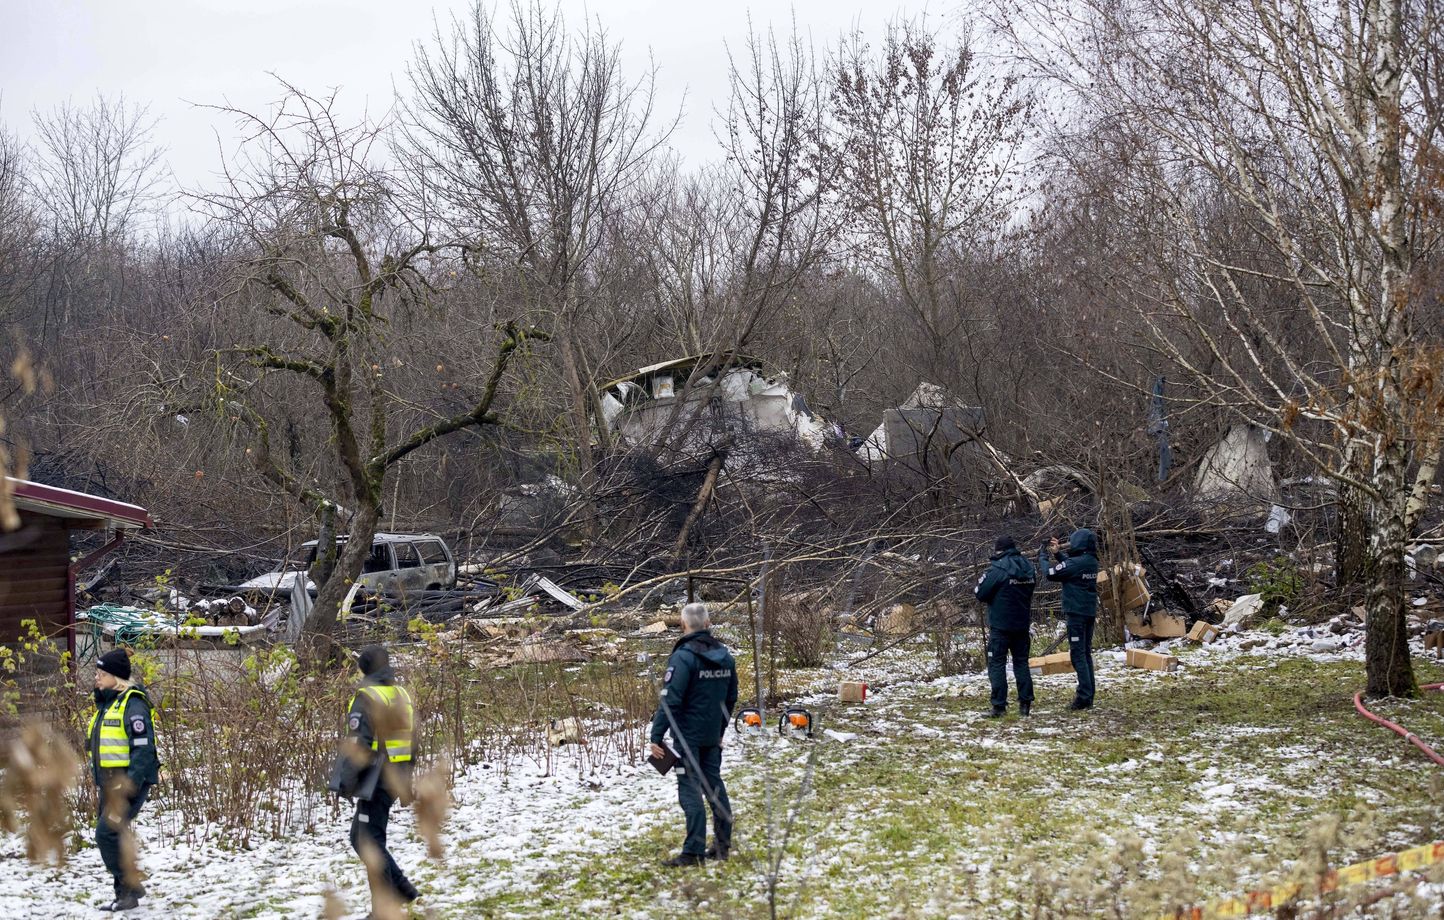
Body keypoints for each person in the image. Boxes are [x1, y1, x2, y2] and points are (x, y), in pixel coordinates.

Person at [330, 645, 420, 912]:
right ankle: (402, 889)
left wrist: (345, 782)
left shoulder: (367, 696)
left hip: (376, 780)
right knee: (359, 837)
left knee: (369, 842)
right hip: (395, 777)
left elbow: (361, 744)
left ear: (364, 669)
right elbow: (413, 741)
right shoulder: (401, 693)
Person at [648, 602, 738, 867]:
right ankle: (722, 847)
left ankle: (693, 852)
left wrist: (656, 736)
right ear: (708, 624)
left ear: (683, 625)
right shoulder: (725, 656)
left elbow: (670, 701)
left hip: (687, 736)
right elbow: (731, 697)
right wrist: (720, 729)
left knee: (689, 790)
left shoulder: (683, 657)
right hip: (711, 734)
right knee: (715, 787)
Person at [87, 648, 158, 912]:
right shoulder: (108, 703)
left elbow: (143, 750)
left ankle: (131, 885)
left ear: (116, 677)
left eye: (101, 674)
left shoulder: (133, 704)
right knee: (117, 835)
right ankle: (125, 896)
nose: (96, 678)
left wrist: (129, 784)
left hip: (126, 783)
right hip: (108, 781)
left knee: (106, 834)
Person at [975, 535, 1037, 718]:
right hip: (1022, 624)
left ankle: (999, 706)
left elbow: (981, 593)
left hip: (1000, 626)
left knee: (996, 664)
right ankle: (1025, 704)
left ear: (998, 551)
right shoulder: (1028, 568)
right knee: (1021, 663)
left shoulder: (997, 570)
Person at [1041, 528, 1101, 710]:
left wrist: (1043, 557)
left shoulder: (1077, 563)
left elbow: (1050, 573)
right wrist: (1058, 554)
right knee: (1085, 653)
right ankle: (1088, 694)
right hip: (1088, 611)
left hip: (1076, 613)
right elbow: (1070, 566)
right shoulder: (1091, 561)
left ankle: (1083, 696)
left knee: (1078, 655)